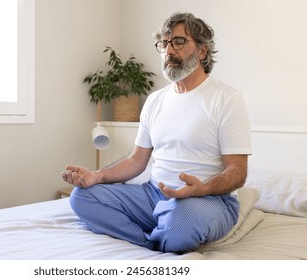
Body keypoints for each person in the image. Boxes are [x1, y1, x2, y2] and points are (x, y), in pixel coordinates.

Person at [61, 12, 251, 253]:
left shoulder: (226, 98)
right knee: (81, 197)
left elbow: (238, 172)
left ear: (202, 51)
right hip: (153, 194)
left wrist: (202, 189)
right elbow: (136, 161)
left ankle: (168, 227)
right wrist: (96, 176)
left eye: (179, 42)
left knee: (181, 220)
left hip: (207, 200)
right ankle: (149, 241)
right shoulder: (154, 100)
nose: (169, 51)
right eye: (164, 43)